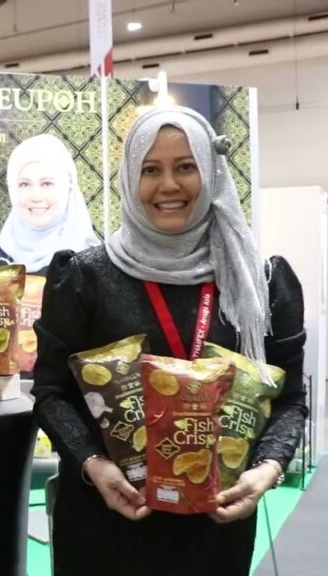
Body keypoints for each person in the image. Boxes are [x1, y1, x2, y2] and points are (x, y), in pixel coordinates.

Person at [31, 106, 306, 574]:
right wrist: (93, 463)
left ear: (212, 172)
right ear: (129, 179)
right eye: (150, 170)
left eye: (186, 167)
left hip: (215, 528)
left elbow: (290, 399)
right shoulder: (83, 278)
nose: (169, 185)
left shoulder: (257, 282)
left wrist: (267, 469)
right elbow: (52, 391)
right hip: (107, 521)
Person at [0, 134, 100, 274]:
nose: (36, 197)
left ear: (67, 188)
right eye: (24, 184)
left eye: (47, 184)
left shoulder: (93, 266)